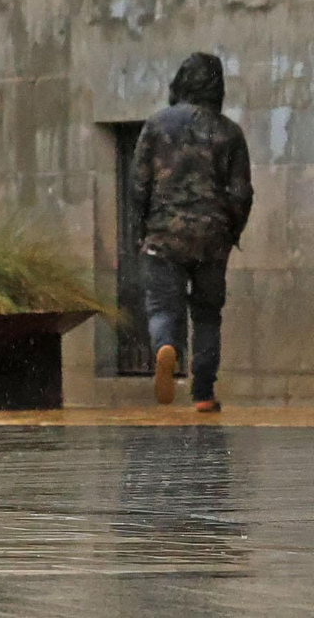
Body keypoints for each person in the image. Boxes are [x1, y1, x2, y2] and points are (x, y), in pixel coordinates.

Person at [132, 52, 253, 412]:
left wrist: (142, 229)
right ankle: (203, 393)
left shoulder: (156, 125)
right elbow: (242, 193)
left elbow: (138, 184)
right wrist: (231, 232)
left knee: (161, 308)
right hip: (212, 238)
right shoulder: (230, 132)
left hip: (163, 236)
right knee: (207, 315)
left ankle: (166, 347)